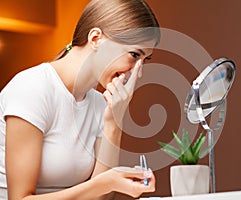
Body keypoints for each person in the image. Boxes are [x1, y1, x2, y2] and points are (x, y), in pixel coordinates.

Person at [0, 0, 160, 199]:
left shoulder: (101, 104)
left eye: (144, 60)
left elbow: (102, 198)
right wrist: (105, 183)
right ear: (95, 39)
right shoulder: (32, 88)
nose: (138, 72)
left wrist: (114, 122)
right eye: (134, 55)